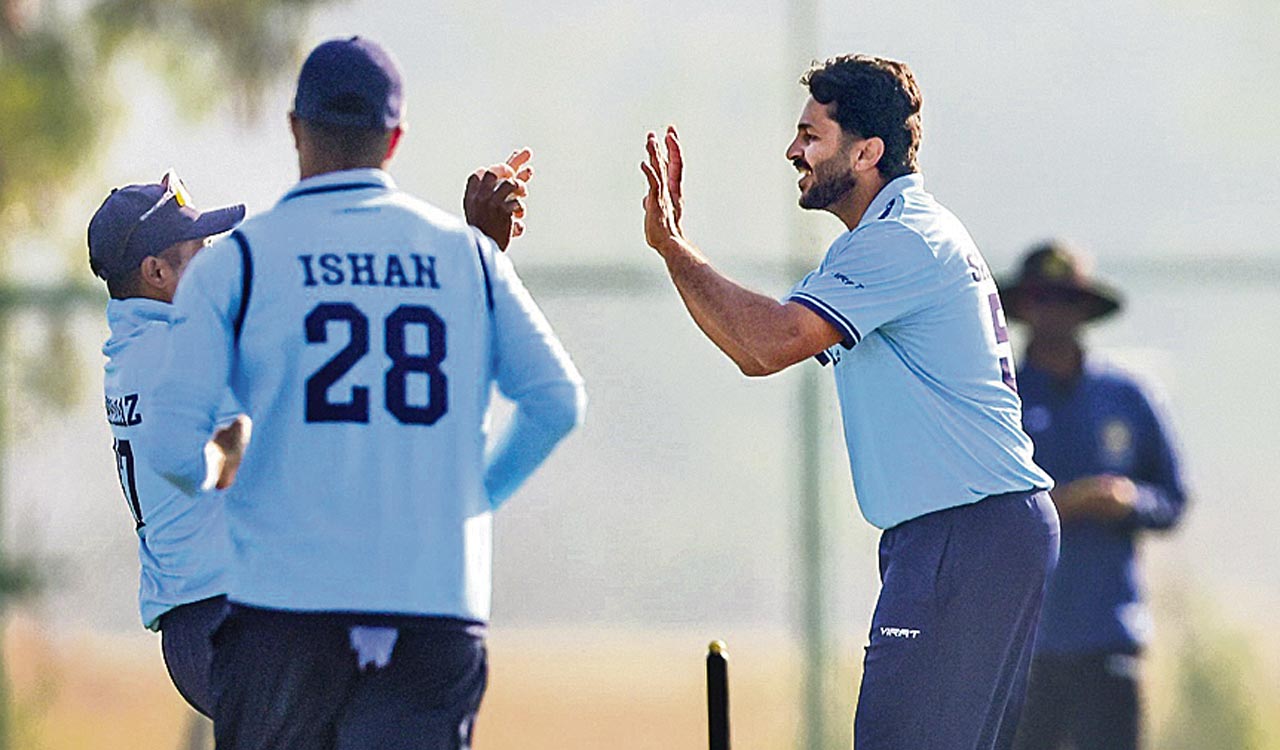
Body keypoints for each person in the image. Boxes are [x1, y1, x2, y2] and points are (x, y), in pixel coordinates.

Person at [144, 36, 585, 749]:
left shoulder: (240, 261)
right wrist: (472, 497)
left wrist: (219, 463)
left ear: (295, 128)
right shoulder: (467, 256)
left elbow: (169, 449)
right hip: (431, 607)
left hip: (284, 612)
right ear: (396, 137)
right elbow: (557, 402)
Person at [640, 54, 1059, 749]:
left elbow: (766, 344)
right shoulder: (887, 237)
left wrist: (674, 249)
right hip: (966, 532)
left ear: (867, 152)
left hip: (965, 532)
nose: (793, 151)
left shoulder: (900, 240)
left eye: (812, 135)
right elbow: (753, 345)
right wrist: (674, 252)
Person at [1004, 241, 1189, 750]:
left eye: (1067, 298)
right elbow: (978, 511)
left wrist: (1129, 502)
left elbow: (1172, 499)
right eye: (1043, 298)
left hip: (1108, 632)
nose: (1055, 312)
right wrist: (1055, 508)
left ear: (1085, 307)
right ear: (1023, 306)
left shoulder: (1127, 396)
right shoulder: (999, 398)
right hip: (1023, 641)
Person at [88, 171, 250, 717]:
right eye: (199, 249)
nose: (214, 259)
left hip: (194, 624)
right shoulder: (180, 348)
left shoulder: (135, 349)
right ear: (156, 272)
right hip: (225, 618)